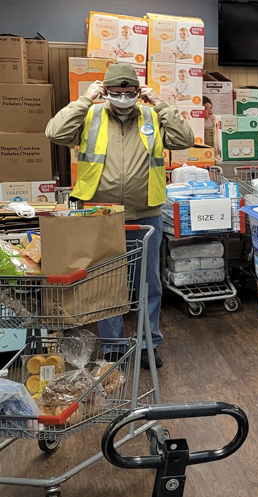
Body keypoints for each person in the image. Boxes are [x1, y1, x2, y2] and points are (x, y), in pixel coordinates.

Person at [46, 62, 194, 369]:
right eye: (116, 93)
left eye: (129, 93)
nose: (123, 98)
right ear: (106, 91)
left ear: (138, 92)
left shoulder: (152, 115)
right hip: (101, 214)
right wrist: (85, 99)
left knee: (148, 283)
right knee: (106, 284)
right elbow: (55, 132)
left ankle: (147, 344)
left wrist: (161, 103)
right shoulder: (91, 114)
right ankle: (113, 346)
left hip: (146, 213)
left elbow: (184, 139)